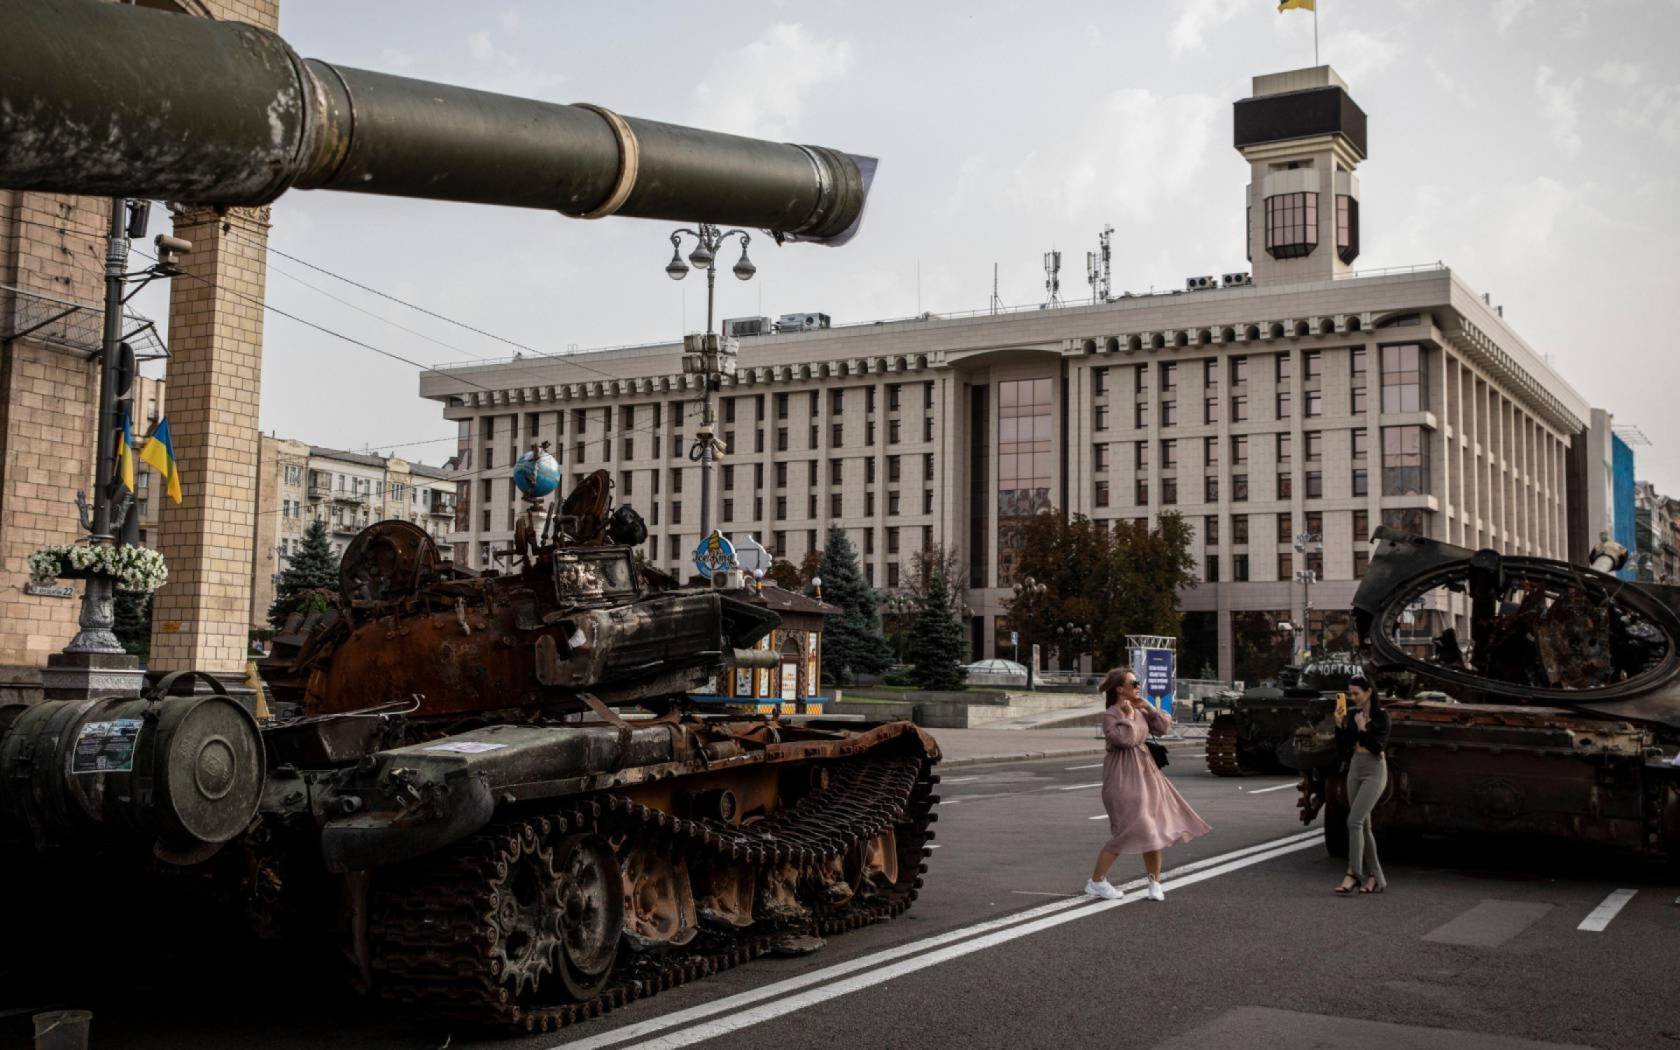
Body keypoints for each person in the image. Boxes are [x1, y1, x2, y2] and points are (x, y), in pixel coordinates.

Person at [1085, 668, 1212, 902]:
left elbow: (1164, 728)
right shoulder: (1112, 715)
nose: (1137, 686)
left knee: (1152, 830)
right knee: (1129, 829)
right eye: (1133, 683)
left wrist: (1149, 708)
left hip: (1148, 776)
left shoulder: (1138, 710)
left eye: (1137, 682)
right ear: (1119, 688)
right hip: (1122, 779)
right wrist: (1128, 717)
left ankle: (1154, 882)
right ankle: (1097, 881)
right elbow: (1125, 740)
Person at [1333, 674, 1390, 895]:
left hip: (1375, 770)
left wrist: (1363, 729)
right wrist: (1340, 725)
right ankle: (1377, 877)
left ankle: (1353, 874)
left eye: (1356, 693)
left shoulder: (1382, 717)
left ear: (1368, 692)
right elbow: (1344, 747)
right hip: (1355, 768)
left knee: (1354, 821)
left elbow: (1378, 747)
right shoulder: (1355, 715)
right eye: (1350, 694)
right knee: (1364, 827)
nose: (1353, 697)